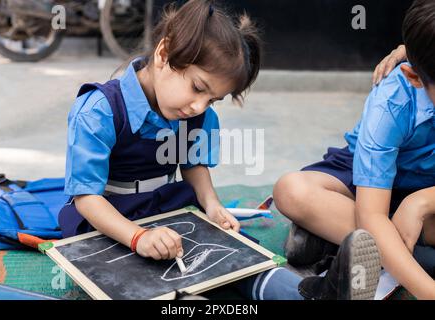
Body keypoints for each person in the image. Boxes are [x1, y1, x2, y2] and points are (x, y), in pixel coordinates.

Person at [58, 0, 382, 300]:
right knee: (134, 276)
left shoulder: (195, 114)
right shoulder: (99, 110)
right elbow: (87, 198)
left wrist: (212, 206)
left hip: (165, 206)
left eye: (212, 99)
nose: (200, 105)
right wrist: (137, 237)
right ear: (163, 54)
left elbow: (193, 164)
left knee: (232, 257)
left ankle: (313, 295)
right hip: (108, 218)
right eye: (198, 87)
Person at [273, 0, 435, 299]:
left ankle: (330, 240)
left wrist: (422, 202)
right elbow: (372, 214)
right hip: (367, 183)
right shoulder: (392, 100)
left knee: (393, 224)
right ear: (415, 78)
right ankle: (402, 253)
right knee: (292, 190)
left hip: (424, 192)